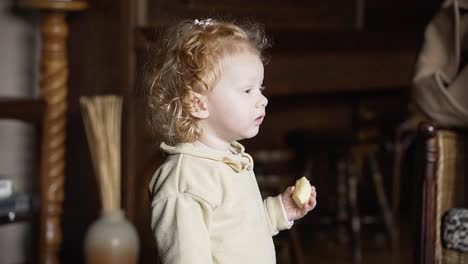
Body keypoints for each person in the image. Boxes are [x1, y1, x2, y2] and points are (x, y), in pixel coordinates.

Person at [145, 18, 317, 264]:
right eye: (248, 90)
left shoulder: (230, 160)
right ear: (198, 104)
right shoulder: (186, 180)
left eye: (261, 88)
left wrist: (282, 209)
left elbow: (239, 233)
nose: (262, 100)